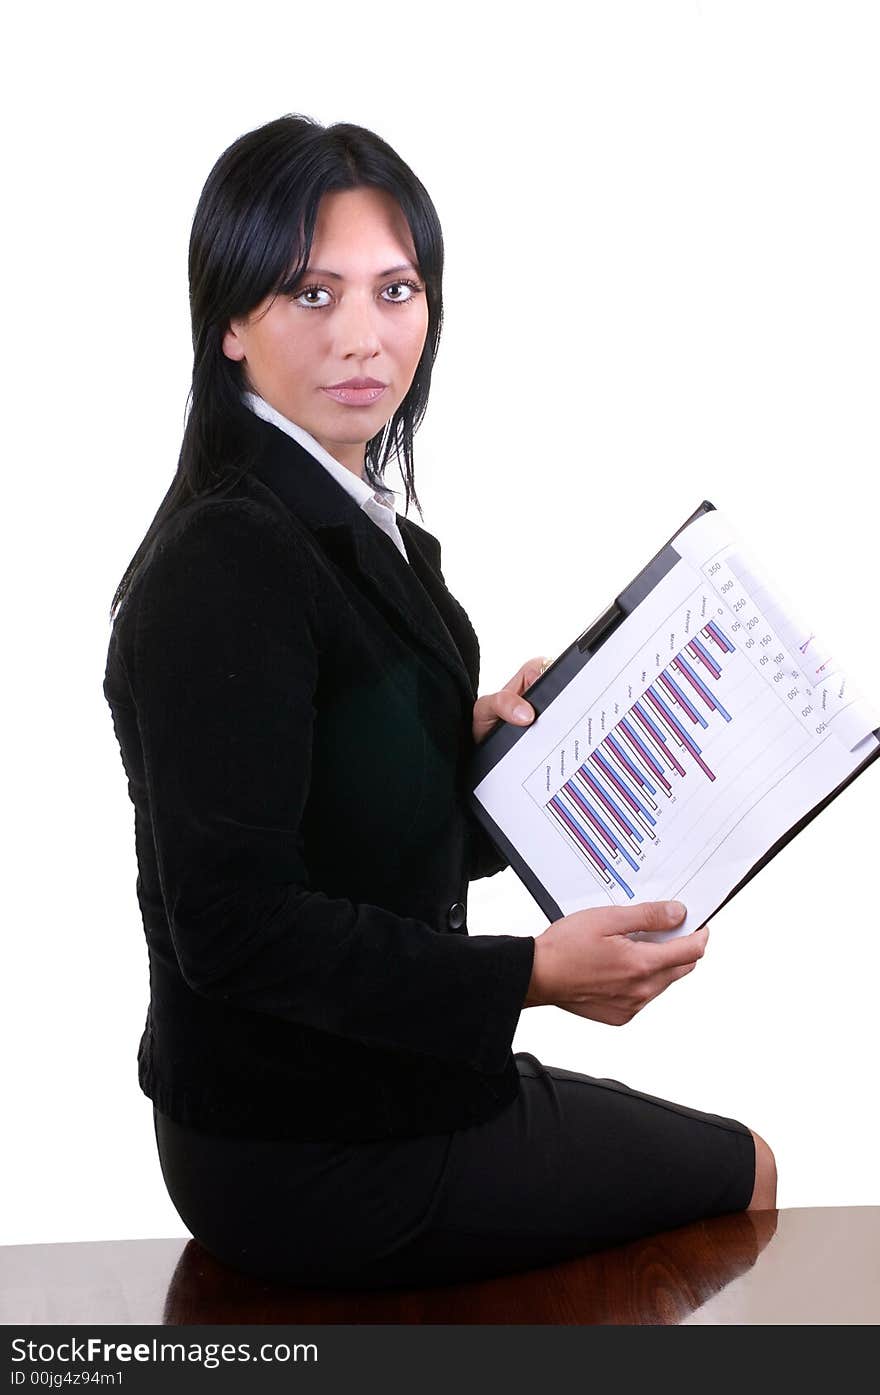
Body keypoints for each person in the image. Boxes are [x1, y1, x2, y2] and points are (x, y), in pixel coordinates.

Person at [103, 112, 776, 1292]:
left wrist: (468, 755)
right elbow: (237, 928)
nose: (363, 336)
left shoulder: (356, 531)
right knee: (751, 1172)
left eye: (396, 289)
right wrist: (528, 977)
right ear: (229, 319)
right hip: (305, 1143)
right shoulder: (232, 557)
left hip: (388, 1079)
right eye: (312, 295)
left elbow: (344, 833)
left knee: (718, 1160)